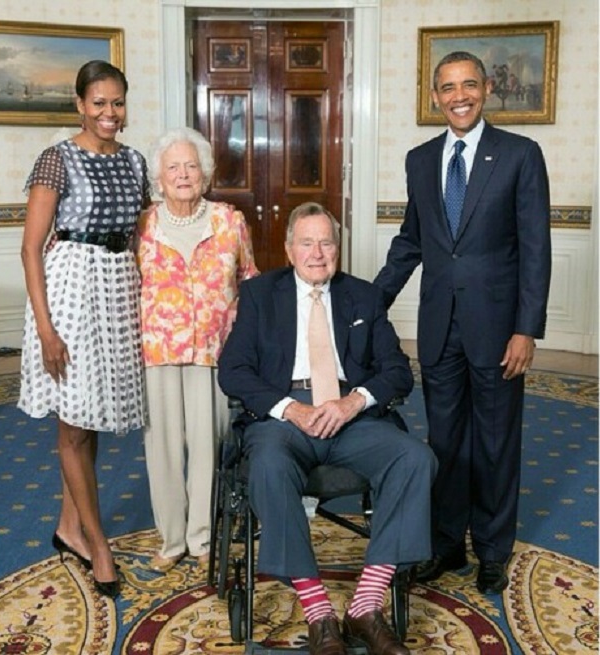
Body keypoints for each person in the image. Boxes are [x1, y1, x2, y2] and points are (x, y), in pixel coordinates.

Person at [218, 202, 437, 655]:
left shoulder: (363, 296)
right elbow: (234, 370)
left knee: (415, 458)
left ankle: (365, 605)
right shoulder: (261, 294)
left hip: (348, 414)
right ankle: (319, 613)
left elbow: (397, 371)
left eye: (326, 242)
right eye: (307, 242)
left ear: (338, 247)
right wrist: (288, 409)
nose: (317, 252)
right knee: (269, 466)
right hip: (285, 416)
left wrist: (354, 400)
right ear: (289, 249)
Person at [374, 51, 551, 595]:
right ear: (434, 97)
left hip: (499, 330)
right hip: (438, 326)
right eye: (448, 87)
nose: (459, 96)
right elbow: (412, 239)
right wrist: (366, 301)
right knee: (446, 443)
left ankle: (493, 551)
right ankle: (448, 543)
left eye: (469, 85)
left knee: (496, 441)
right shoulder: (420, 159)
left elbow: (535, 249)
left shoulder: (519, 155)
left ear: (486, 91)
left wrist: (526, 329)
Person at [18, 60, 151, 598]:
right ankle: (97, 543)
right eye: (98, 103)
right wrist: (47, 329)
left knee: (90, 416)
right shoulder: (57, 159)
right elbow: (31, 248)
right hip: (70, 291)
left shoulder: (135, 161)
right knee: (72, 422)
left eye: (117, 102)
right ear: (79, 104)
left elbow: (141, 234)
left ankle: (68, 526)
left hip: (118, 289)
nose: (109, 113)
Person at [136, 127, 259, 572]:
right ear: (159, 176)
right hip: (158, 351)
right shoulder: (142, 224)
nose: (183, 174)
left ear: (205, 173)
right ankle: (172, 540)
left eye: (191, 166)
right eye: (173, 167)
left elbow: (250, 282)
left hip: (215, 351)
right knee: (163, 448)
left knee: (209, 446)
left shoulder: (229, 220)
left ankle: (203, 537)